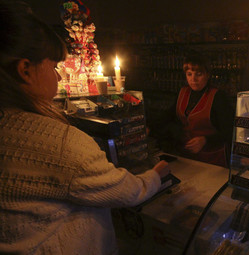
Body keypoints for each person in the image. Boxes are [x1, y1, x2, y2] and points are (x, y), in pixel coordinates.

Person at [0, 1, 170, 254]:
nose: (59, 77)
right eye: (54, 66)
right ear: (25, 69)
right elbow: (127, 191)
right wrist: (156, 175)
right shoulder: (59, 143)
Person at [152, 52, 234, 167]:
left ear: (207, 74)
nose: (193, 79)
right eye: (189, 74)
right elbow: (168, 116)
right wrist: (148, 127)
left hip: (212, 158)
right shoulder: (183, 92)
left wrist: (206, 140)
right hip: (187, 155)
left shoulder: (218, 97)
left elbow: (229, 131)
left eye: (198, 74)